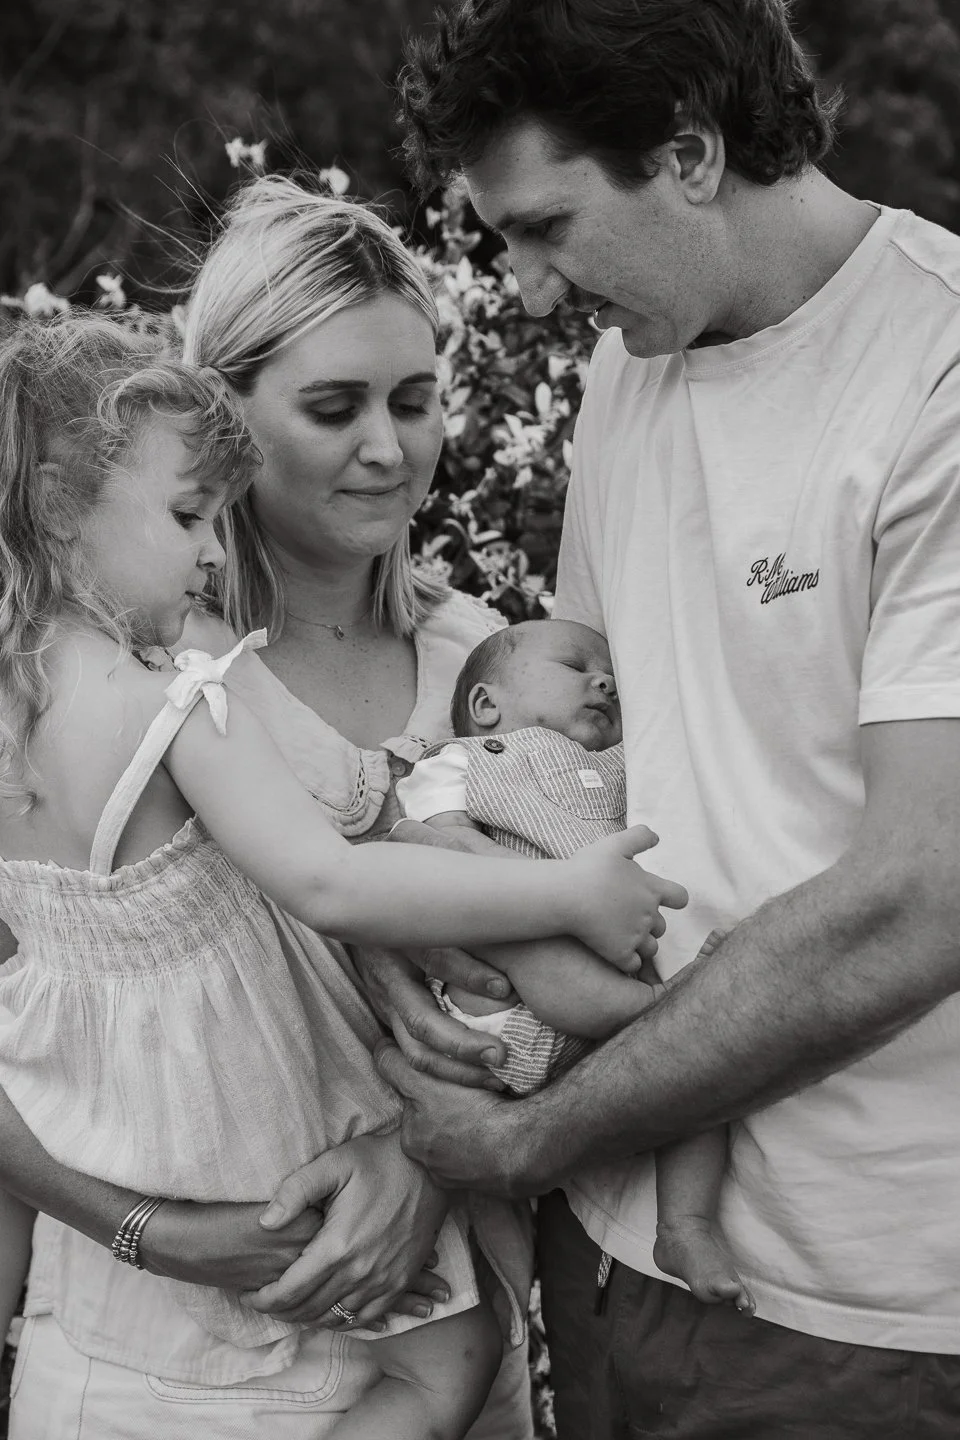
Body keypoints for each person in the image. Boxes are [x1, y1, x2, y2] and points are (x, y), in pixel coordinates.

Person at [0, 176, 681, 1438]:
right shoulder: (119, 684)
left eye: (415, 401)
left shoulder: (492, 666)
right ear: (226, 418)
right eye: (333, 406)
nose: (390, 446)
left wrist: (430, 1152)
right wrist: (156, 1232)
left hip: (442, 1338)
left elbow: (618, 957)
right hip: (163, 1363)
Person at [374, 1, 960, 1435]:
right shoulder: (631, 366)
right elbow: (571, 767)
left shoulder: (936, 369)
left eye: (547, 227)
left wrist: (521, 1140)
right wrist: (428, 932)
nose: (521, 291)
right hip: (610, 1232)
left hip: (855, 1300)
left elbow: (923, 897)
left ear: (689, 154)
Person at [398, 616, 752, 1313]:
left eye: (613, 680)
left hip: (602, 1040)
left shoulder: (627, 765)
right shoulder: (466, 760)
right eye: (575, 665)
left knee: (704, 1082)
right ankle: (670, 1012)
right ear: (485, 705)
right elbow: (430, 846)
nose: (606, 681)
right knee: (572, 969)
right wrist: (548, 900)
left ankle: (686, 1225)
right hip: (503, 1007)